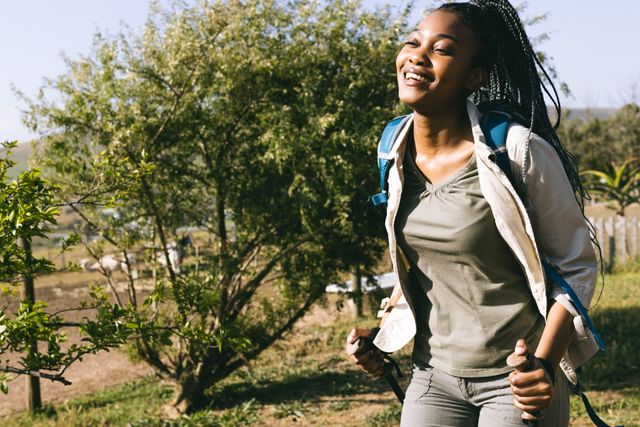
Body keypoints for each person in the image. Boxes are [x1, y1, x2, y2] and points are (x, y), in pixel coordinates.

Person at [346, 1, 600, 426]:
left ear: (474, 77)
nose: (417, 57)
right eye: (413, 42)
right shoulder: (392, 148)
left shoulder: (516, 151)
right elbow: (425, 263)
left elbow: (576, 266)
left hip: (515, 380)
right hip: (434, 375)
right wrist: (384, 336)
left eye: (441, 49)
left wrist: (543, 365)